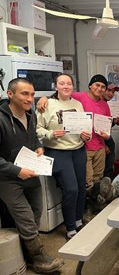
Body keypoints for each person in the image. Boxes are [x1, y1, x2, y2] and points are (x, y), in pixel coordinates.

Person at [0, 78, 64, 273]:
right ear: (10, 94)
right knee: (26, 218)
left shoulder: (31, 114)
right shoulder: (1, 119)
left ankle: (26, 255)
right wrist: (17, 171)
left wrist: (38, 146)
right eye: (24, 94)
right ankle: (39, 258)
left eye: (32, 94)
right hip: (8, 179)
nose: (30, 98)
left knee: (36, 213)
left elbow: (34, 135)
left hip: (32, 172)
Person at [36, 74, 90, 239]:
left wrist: (85, 136)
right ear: (56, 86)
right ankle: (71, 227)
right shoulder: (47, 105)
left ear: (73, 86)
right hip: (58, 152)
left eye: (69, 83)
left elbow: (82, 127)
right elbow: (37, 129)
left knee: (81, 187)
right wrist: (51, 133)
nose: (66, 86)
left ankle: (79, 219)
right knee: (71, 189)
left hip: (78, 150)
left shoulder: (78, 104)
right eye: (62, 83)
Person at [37, 74, 111, 190]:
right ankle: (87, 207)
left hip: (98, 146)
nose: (100, 88)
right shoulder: (78, 97)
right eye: (97, 85)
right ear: (90, 86)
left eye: (103, 87)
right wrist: (44, 98)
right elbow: (61, 95)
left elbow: (107, 126)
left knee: (97, 179)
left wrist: (106, 139)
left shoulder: (104, 104)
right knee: (87, 181)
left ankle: (96, 206)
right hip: (84, 147)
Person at [103, 82, 119, 179]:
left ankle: (108, 185)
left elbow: (105, 124)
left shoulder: (106, 104)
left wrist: (114, 121)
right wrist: (103, 144)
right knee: (104, 169)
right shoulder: (98, 104)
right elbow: (95, 128)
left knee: (108, 167)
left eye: (113, 92)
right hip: (101, 141)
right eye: (109, 90)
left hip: (108, 138)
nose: (111, 94)